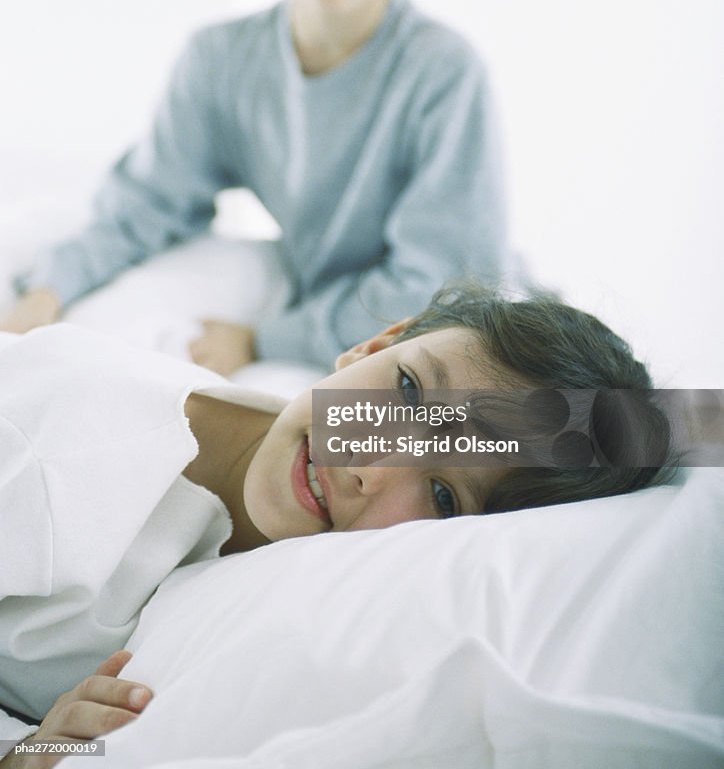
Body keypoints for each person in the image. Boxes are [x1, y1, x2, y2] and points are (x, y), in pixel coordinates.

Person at [0, 282, 674, 765]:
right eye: (410, 391)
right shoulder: (48, 451)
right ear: (371, 346)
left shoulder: (303, 593)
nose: (367, 462)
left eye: (442, 494)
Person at [0, 0, 507, 375]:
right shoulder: (220, 60)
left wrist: (266, 342)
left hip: (476, 344)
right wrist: (48, 291)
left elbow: (444, 286)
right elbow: (145, 206)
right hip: (329, 315)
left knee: (602, 432)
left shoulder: (443, 74)